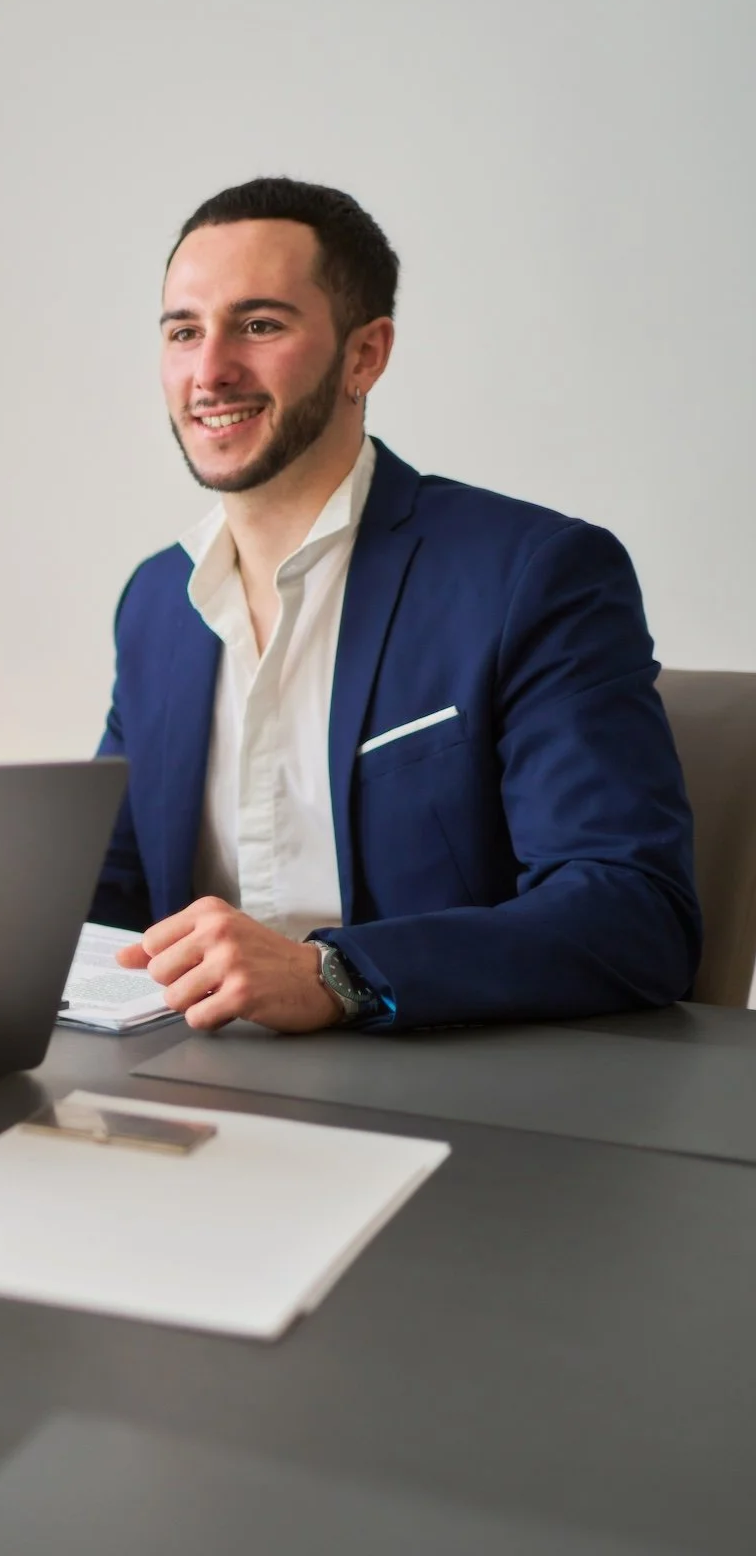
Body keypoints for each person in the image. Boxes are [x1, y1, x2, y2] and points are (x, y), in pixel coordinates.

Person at [92, 176, 699, 1033]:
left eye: (260, 325)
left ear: (365, 355)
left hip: (456, 1098)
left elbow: (635, 914)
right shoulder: (157, 601)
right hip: (203, 1096)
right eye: (184, 331)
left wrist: (332, 975)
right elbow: (105, 896)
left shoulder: (533, 574)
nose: (210, 370)